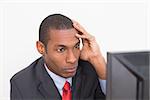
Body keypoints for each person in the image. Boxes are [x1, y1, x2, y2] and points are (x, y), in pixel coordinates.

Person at [10, 14, 106, 100]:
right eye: (61, 49)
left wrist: (97, 58)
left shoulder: (90, 70)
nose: (72, 59)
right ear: (41, 48)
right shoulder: (22, 84)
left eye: (76, 46)